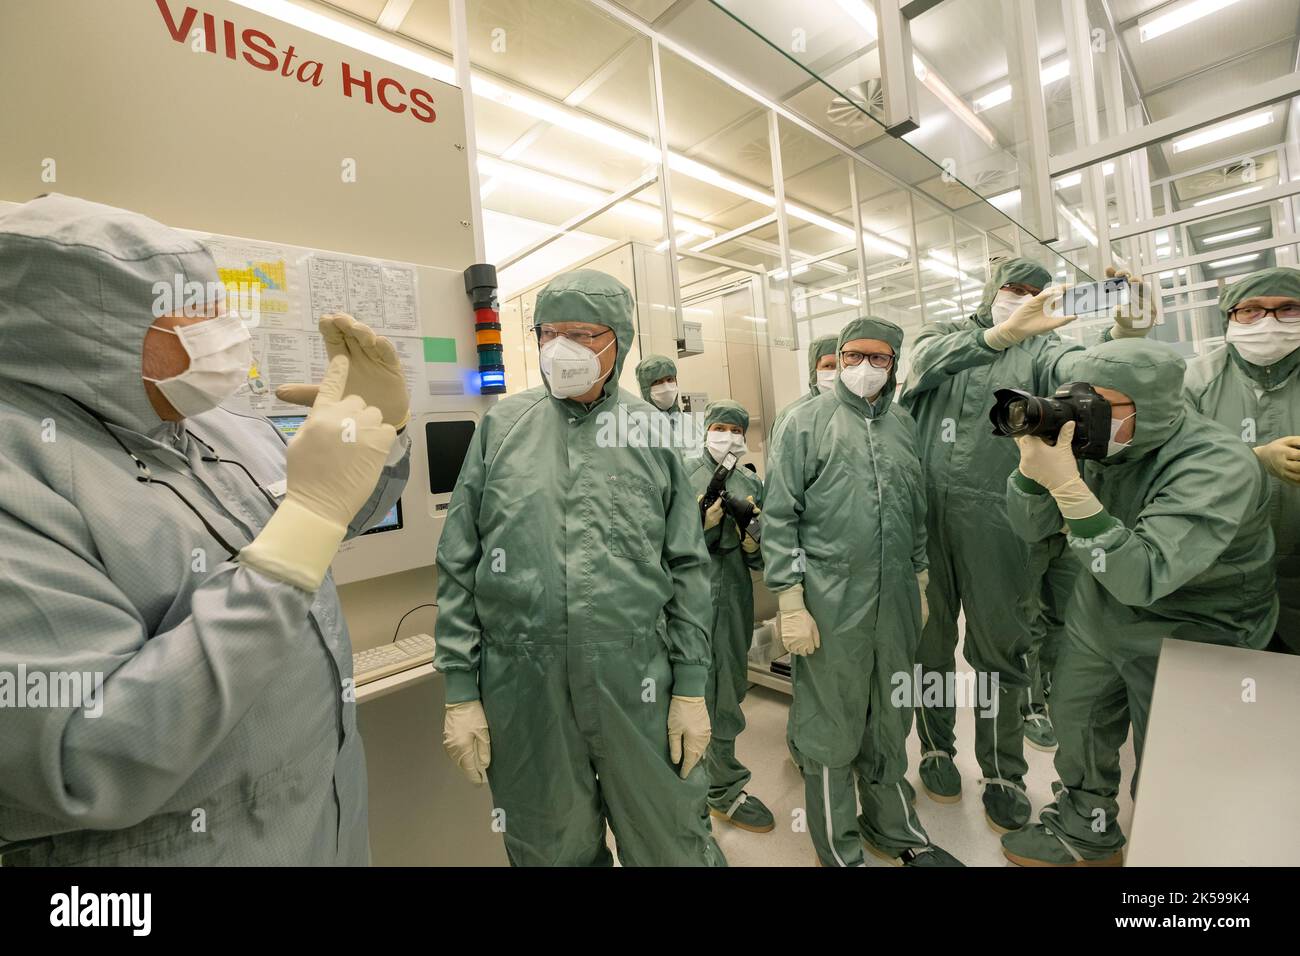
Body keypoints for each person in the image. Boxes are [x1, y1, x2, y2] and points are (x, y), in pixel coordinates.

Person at [0, 194, 410, 865]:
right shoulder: (22, 472)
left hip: (321, 824)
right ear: (85, 330)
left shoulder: (211, 422)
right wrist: (303, 523)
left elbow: (321, 532)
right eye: (186, 314)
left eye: (214, 304)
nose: (222, 329)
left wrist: (379, 436)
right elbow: (85, 758)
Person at [434, 269, 725, 867]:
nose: (560, 348)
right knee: (549, 847)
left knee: (670, 839)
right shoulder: (502, 429)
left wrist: (691, 688)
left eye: (583, 334)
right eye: (549, 332)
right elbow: (459, 559)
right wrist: (461, 691)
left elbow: (689, 567)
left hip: (637, 680)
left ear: (618, 340)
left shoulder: (651, 432)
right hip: (525, 686)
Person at [1001, 338, 1277, 866]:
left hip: (1199, 625)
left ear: (1150, 408)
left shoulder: (1218, 464)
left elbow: (1145, 574)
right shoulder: (1097, 445)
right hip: (1101, 608)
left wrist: (1073, 492)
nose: (1080, 419)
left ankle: (1180, 859)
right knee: (1078, 717)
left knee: (1180, 759)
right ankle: (1086, 828)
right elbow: (1030, 529)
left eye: (1096, 405)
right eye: (1073, 400)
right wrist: (1033, 478)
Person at [899, 259, 1152, 832]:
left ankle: (1000, 770)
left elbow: (1087, 368)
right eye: (1014, 291)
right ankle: (937, 748)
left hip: (997, 519)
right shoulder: (946, 335)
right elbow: (924, 365)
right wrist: (996, 336)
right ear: (991, 292)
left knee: (997, 651)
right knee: (930, 642)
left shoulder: (1046, 351)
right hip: (926, 519)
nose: (1024, 302)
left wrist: (1123, 334)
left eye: (1037, 294)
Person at [763, 316, 961, 867]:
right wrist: (790, 599)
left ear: (894, 366)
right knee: (831, 722)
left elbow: (916, 509)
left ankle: (894, 831)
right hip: (830, 600)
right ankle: (841, 849)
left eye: (877, 358)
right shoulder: (804, 422)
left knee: (891, 715)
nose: (862, 368)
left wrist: (920, 579)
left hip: (894, 596)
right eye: (852, 356)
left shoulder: (902, 424)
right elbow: (780, 517)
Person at [1185, 266, 1300, 654]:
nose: (1268, 322)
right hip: (1225, 572)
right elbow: (1173, 467)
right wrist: (1254, 459)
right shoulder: (1195, 381)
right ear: (1229, 317)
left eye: (1288, 309)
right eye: (1251, 310)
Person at [685, 399, 772, 833]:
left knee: (729, 688)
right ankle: (693, 792)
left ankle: (722, 788)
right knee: (690, 694)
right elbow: (658, 549)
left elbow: (764, 560)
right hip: (689, 601)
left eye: (735, 430)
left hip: (735, 599)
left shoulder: (751, 481)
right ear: (706, 430)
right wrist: (696, 527)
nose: (727, 436)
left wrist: (753, 541)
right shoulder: (681, 475)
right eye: (719, 427)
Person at [770, 332, 838, 442]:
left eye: (841, 366)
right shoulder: (794, 416)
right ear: (814, 371)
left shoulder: (858, 410)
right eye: (828, 366)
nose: (836, 373)